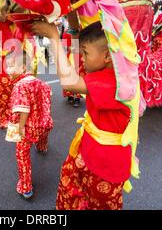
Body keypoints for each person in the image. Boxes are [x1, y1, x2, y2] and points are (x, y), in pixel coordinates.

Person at [32, 21, 139, 210]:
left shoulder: (117, 81)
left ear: (107, 56)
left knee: (99, 202)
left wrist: (54, 37)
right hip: (90, 150)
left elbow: (69, 83)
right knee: (75, 188)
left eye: (85, 53)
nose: (82, 59)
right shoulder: (110, 72)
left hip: (106, 164)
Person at [6, 50, 53, 199]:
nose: (7, 70)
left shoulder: (19, 86)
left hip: (25, 127)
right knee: (42, 135)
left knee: (22, 155)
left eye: (11, 66)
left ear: (24, 68)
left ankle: (26, 187)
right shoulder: (40, 82)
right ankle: (42, 146)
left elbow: (23, 109)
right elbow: (47, 96)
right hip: (43, 123)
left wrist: (20, 128)